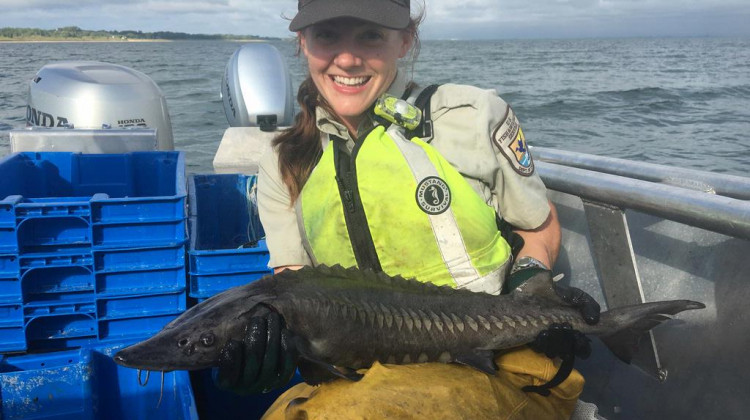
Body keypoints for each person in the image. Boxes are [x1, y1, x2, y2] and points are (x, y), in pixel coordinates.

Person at [214, 0, 600, 418]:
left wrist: (532, 282)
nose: (347, 58)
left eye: (371, 35)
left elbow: (539, 225)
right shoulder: (284, 161)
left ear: (405, 41)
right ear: (302, 42)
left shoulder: (469, 117)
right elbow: (295, 284)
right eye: (327, 35)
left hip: (501, 362)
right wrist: (273, 353)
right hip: (362, 374)